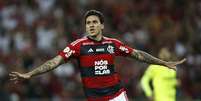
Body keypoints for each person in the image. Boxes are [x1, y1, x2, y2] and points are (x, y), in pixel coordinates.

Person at [9, 10, 186, 101]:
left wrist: (163, 63)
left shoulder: (112, 44)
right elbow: (54, 62)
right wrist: (30, 74)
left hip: (116, 95)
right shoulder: (79, 46)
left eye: (94, 22)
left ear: (102, 25)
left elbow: (138, 55)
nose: (91, 25)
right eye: (88, 23)